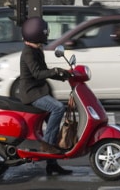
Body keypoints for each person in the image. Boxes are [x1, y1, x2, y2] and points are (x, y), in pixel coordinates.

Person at [19, 16, 72, 175]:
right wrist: (55, 71)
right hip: (32, 94)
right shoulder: (29, 52)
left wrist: (64, 75)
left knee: (54, 126)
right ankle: (46, 145)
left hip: (39, 91)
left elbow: (45, 71)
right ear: (37, 34)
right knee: (58, 108)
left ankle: (52, 164)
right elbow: (37, 73)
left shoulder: (36, 50)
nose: (45, 35)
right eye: (43, 33)